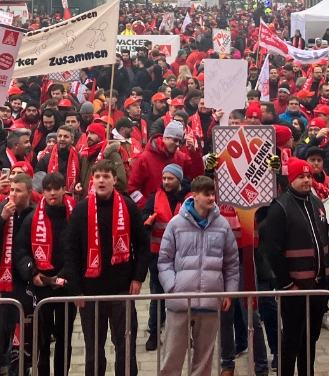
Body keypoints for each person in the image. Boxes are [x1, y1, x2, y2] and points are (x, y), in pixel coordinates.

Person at [62, 160, 151, 376]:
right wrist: (76, 289)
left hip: (122, 289)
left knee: (125, 346)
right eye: (97, 176)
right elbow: (70, 249)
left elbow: (142, 243)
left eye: (106, 176)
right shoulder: (82, 209)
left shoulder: (128, 206)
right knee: (93, 349)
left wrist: (138, 277)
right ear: (92, 179)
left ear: (115, 180)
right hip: (90, 291)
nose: (101, 180)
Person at [157, 176, 239, 376]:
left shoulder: (222, 225)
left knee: (204, 360)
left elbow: (231, 263)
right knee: (172, 357)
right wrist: (171, 287)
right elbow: (164, 260)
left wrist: (229, 293)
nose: (211, 198)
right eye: (206, 194)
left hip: (211, 300)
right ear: (194, 195)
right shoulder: (176, 224)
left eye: (213, 194)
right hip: (180, 300)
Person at [260, 157, 329, 376]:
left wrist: (327, 279)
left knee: (310, 340)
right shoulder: (279, 207)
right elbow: (273, 250)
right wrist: (287, 283)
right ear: (291, 179)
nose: (307, 180)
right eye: (301, 176)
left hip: (317, 287)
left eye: (309, 176)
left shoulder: (317, 204)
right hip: (295, 289)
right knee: (291, 341)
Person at [0, 171, 40, 376]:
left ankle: (17, 371)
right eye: (11, 190)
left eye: (18, 191)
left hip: (22, 282)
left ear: (29, 193)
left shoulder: (35, 213)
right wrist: (3, 218)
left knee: (20, 334)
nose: (13, 194)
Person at [30, 172, 76, 376]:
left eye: (56, 188)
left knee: (64, 338)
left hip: (67, 285)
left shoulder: (75, 214)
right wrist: (32, 272)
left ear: (64, 189)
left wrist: (65, 274)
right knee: (42, 338)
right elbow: (23, 249)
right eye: (48, 189)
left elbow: (79, 248)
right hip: (42, 285)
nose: (52, 193)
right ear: (43, 192)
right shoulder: (33, 216)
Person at [145, 163, 190, 351]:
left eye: (170, 178)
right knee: (157, 296)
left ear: (178, 179)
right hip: (158, 256)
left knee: (185, 297)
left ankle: (186, 335)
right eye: (164, 178)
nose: (166, 182)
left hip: (184, 256)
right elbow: (144, 215)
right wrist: (146, 219)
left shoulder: (190, 198)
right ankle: (154, 333)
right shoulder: (154, 197)